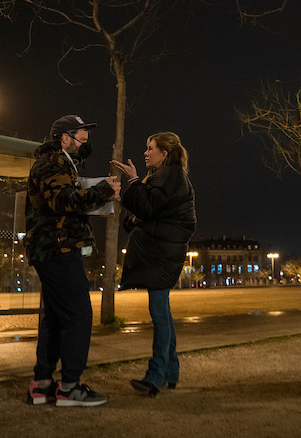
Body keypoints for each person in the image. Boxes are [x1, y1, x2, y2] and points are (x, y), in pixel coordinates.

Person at [24, 115, 120, 407]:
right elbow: (63, 201)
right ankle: (70, 388)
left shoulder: (60, 163)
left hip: (54, 248)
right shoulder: (51, 163)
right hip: (58, 249)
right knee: (78, 314)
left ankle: (42, 385)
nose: (86, 142)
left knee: (54, 316)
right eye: (82, 137)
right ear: (64, 138)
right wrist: (104, 190)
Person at [112, 132, 196, 396]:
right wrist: (131, 194)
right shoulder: (165, 176)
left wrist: (134, 180)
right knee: (163, 313)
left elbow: (147, 209)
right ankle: (170, 371)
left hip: (163, 254)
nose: (146, 153)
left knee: (159, 313)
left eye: (151, 148)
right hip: (162, 252)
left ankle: (156, 375)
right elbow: (142, 213)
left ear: (164, 154)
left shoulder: (170, 175)